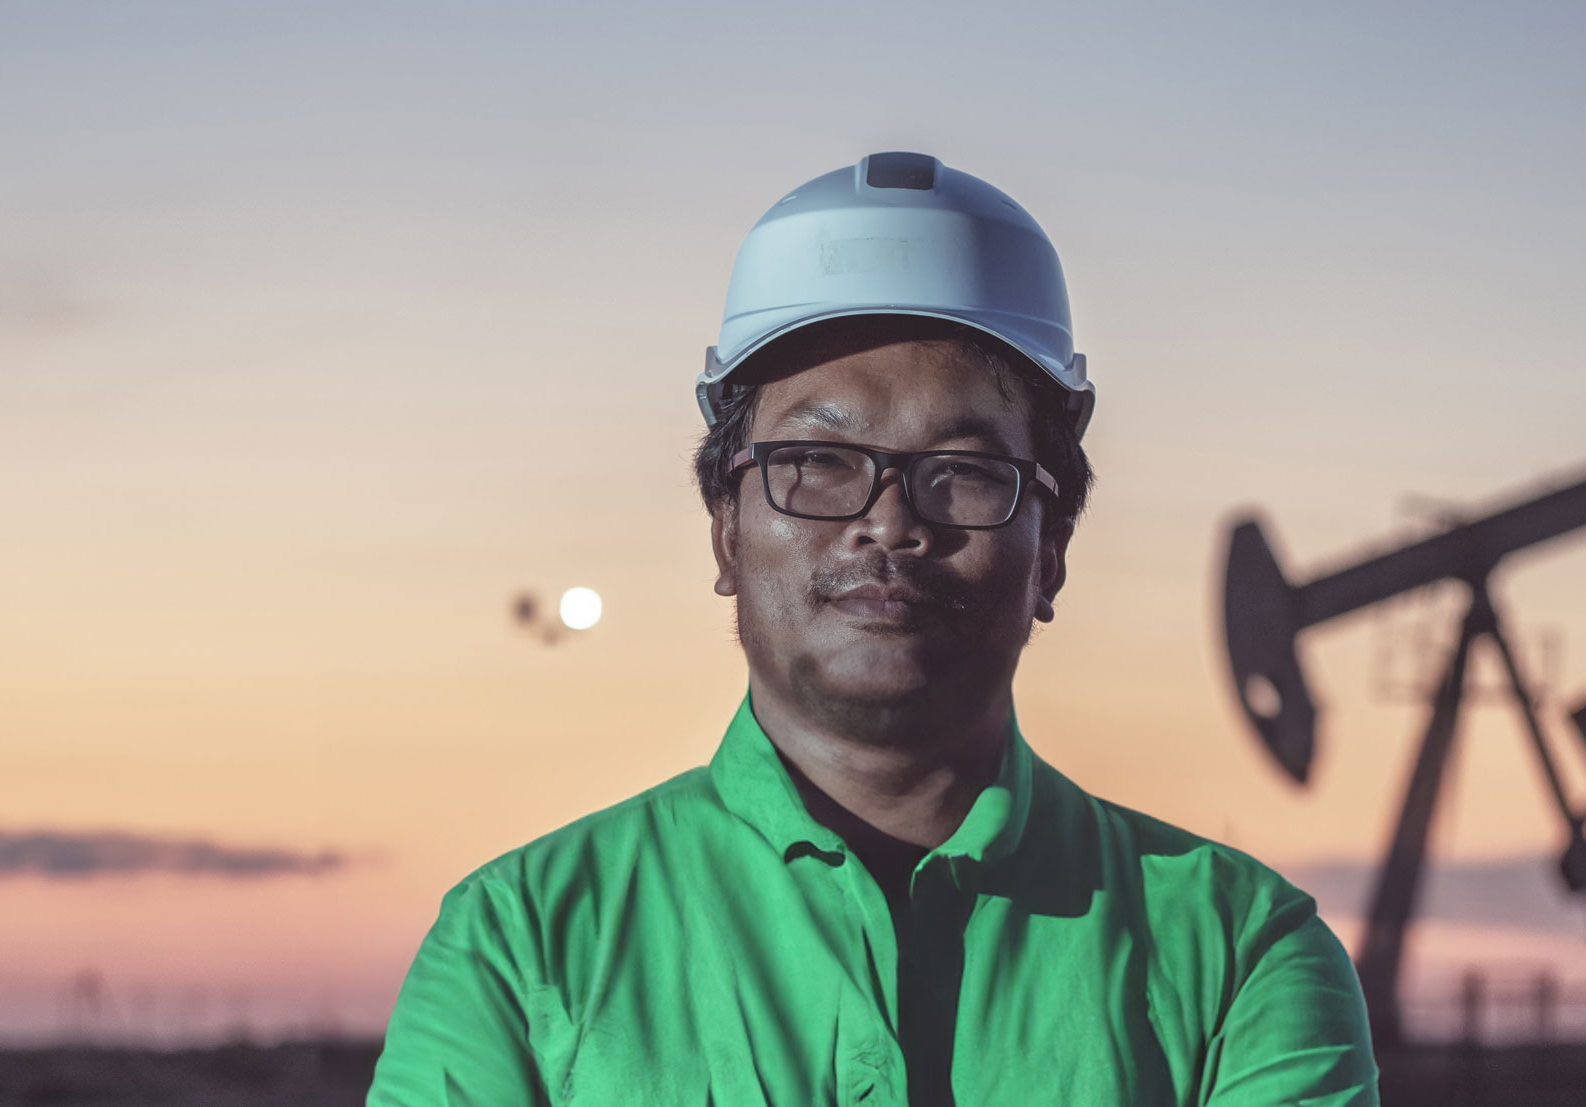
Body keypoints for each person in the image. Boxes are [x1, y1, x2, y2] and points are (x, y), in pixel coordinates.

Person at [365, 152, 1378, 1106]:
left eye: (965, 471)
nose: (888, 522)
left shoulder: (1242, 953)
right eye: (817, 461)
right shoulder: (518, 946)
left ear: (1052, 552)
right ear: (726, 533)